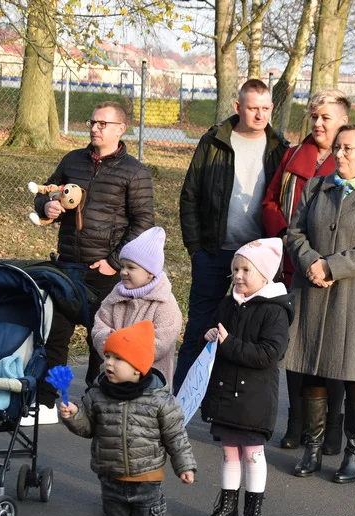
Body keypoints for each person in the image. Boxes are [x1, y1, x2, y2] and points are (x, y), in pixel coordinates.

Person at [262, 89, 355, 454]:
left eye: (325, 118)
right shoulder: (296, 157)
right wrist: (296, 249)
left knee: (338, 359)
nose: (317, 124)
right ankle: (299, 427)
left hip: (340, 279)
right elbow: (273, 204)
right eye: (314, 117)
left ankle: (334, 432)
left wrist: (328, 265)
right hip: (294, 265)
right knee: (301, 353)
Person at [284, 125, 355, 483]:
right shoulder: (317, 187)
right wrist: (310, 263)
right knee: (313, 369)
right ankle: (313, 449)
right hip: (312, 291)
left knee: (354, 375)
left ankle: (354, 454)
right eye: (338, 148)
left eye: (349, 149)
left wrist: (332, 266)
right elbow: (294, 232)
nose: (340, 154)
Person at [34, 101, 155, 423]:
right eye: (92, 122)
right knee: (54, 337)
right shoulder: (72, 160)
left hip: (103, 272)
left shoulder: (135, 172)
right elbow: (45, 192)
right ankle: (46, 403)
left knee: (100, 340)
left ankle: (94, 403)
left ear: (120, 129)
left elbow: (143, 222)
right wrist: (47, 206)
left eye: (103, 123)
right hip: (66, 265)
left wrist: (114, 263)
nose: (95, 128)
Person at [58, 320, 196, 516]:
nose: (108, 362)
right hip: (110, 477)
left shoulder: (159, 399)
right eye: (108, 356)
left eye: (118, 358)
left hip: (147, 479)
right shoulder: (97, 394)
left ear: (137, 367)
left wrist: (184, 465)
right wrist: (73, 416)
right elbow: (89, 429)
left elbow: (175, 436)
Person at [174, 79, 288, 394]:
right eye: (253, 108)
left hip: (258, 259)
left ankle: (231, 404)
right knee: (199, 328)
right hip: (213, 253)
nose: (260, 115)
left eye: (266, 109)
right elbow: (190, 195)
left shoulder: (280, 147)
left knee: (248, 333)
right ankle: (179, 403)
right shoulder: (213, 142)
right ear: (238, 107)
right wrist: (196, 248)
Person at [196, 239, 293, 516]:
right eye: (235, 269)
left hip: (254, 397)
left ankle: (253, 513)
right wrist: (211, 335)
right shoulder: (228, 304)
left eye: (245, 270)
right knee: (228, 453)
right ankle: (227, 509)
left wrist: (229, 344)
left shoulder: (275, 311)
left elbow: (269, 354)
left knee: (252, 454)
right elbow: (217, 335)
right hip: (226, 391)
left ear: (264, 275)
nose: (237, 275)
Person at [91, 226, 182, 383]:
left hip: (151, 381)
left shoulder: (164, 303)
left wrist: (125, 351)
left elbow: (162, 340)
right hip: (112, 376)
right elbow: (100, 326)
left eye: (131, 267)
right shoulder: (115, 297)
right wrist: (109, 344)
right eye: (123, 266)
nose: (124, 272)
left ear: (150, 272)